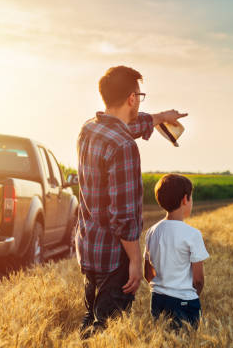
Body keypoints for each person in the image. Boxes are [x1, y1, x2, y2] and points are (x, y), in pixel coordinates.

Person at [76, 66, 188, 338]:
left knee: (91, 323)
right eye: (140, 95)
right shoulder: (124, 146)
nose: (140, 99)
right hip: (114, 258)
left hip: (90, 250)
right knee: (107, 333)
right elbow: (124, 216)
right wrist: (135, 262)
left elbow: (127, 125)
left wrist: (162, 117)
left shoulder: (90, 129)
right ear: (131, 98)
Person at [144, 174, 209, 329]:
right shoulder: (192, 234)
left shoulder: (151, 231)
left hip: (157, 299)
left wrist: (162, 288)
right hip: (184, 301)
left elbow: (147, 273)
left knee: (163, 340)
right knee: (187, 341)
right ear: (185, 199)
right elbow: (198, 280)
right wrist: (190, 297)